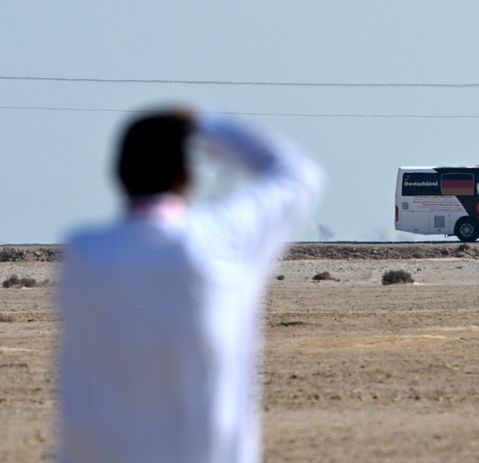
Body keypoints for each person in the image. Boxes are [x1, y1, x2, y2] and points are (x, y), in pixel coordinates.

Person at [56, 108, 324, 463]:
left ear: (118, 174)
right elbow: (298, 174)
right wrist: (205, 123)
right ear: (185, 177)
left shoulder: (83, 254)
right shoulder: (220, 243)